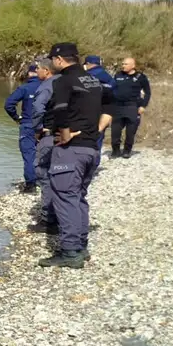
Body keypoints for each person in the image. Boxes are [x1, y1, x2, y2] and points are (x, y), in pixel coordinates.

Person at [37, 43, 112, 269]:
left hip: (72, 150)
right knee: (79, 196)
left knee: (65, 197)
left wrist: (66, 135)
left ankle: (70, 252)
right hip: (91, 148)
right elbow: (111, 108)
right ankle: (80, 246)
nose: (52, 63)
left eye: (52, 60)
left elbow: (60, 110)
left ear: (59, 60)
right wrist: (96, 130)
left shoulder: (64, 81)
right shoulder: (95, 81)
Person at [27, 58, 58, 233]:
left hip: (50, 134)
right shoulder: (66, 82)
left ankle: (48, 220)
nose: (36, 71)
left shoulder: (46, 86)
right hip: (69, 136)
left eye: (38, 68)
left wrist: (37, 130)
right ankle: (61, 216)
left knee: (43, 172)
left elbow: (38, 108)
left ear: (47, 71)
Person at [4, 63, 42, 190]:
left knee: (29, 154)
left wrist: (17, 117)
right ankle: (45, 182)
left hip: (28, 125)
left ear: (30, 73)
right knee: (45, 153)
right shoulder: (50, 86)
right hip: (46, 126)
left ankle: (31, 185)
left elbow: (9, 104)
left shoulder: (25, 88)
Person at [110, 57, 151, 158]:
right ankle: (115, 150)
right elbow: (112, 89)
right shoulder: (118, 75)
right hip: (118, 106)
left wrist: (143, 106)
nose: (123, 66)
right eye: (123, 64)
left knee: (130, 131)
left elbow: (147, 92)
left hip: (132, 106)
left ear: (133, 66)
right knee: (115, 130)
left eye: (126, 64)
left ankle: (127, 150)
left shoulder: (140, 77)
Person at [82, 55, 115, 167]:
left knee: (85, 140)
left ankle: (85, 165)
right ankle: (94, 164)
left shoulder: (87, 76)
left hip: (88, 112)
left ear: (88, 64)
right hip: (105, 112)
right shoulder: (109, 77)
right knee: (98, 138)